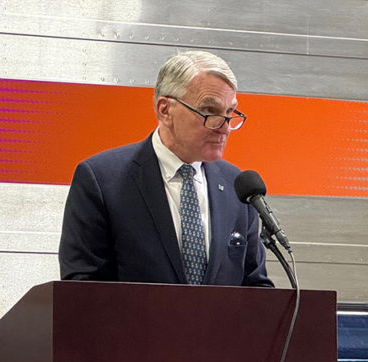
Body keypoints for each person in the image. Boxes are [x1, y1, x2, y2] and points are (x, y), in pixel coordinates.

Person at [58, 50, 274, 287]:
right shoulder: (101, 180)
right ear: (165, 110)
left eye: (229, 113)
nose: (224, 128)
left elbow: (255, 288)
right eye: (209, 111)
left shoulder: (238, 188)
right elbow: (83, 289)